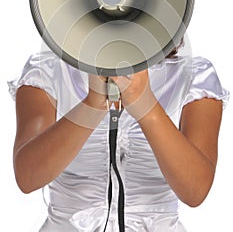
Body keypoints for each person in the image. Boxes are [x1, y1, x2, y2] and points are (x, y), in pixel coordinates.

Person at [8, 45, 229, 231]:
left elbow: (195, 191)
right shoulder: (49, 70)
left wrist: (146, 107)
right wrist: (93, 104)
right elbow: (28, 177)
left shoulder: (193, 75)